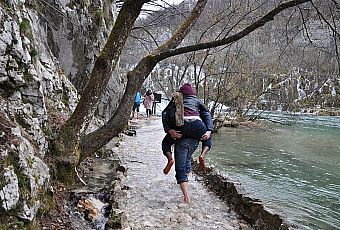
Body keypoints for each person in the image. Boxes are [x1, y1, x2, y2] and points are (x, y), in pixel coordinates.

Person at [161, 83, 213, 203]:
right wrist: (209, 130)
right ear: (192, 93)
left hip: (182, 127)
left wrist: (170, 130)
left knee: (166, 143)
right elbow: (206, 114)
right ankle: (202, 154)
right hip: (197, 126)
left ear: (181, 93)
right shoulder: (197, 100)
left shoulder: (177, 98)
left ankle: (170, 159)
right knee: (206, 139)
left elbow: (165, 113)